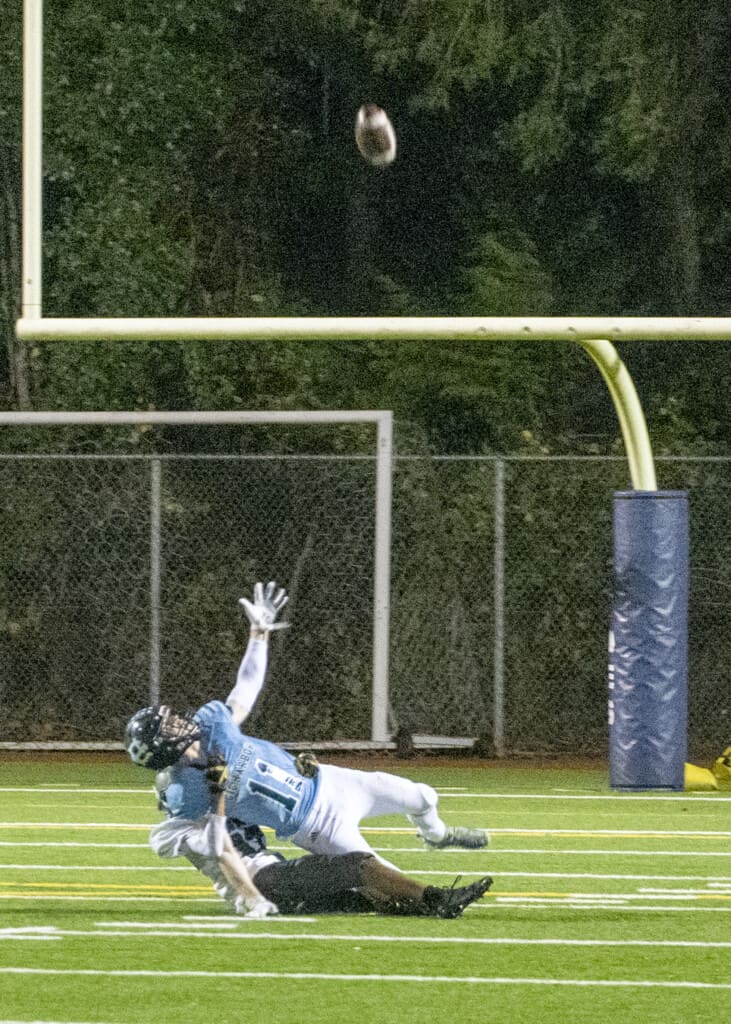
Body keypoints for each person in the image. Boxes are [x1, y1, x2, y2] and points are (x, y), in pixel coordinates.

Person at [124, 580, 488, 867]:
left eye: (170, 717)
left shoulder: (212, 724)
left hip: (333, 782)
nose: (177, 721)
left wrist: (259, 634)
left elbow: (246, 687)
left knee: (423, 795)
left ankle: (436, 836)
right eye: (167, 726)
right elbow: (186, 833)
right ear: (163, 748)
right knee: (386, 877)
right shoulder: (184, 789)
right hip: (313, 826)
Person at [150, 765, 493, 918]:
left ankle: (423, 904)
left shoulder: (219, 799)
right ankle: (438, 898)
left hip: (276, 876)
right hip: (259, 884)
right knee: (357, 865)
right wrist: (220, 798)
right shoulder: (169, 833)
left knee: (375, 897)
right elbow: (220, 847)